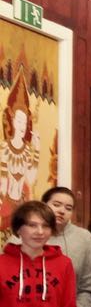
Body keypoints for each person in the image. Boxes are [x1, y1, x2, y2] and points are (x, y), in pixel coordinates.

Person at [0, 69, 40, 226]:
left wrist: (37, 150)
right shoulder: (4, 147)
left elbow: (30, 178)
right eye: (19, 121)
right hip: (6, 203)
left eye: (24, 122)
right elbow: (3, 181)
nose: (22, 126)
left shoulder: (28, 149)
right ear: (12, 121)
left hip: (23, 204)